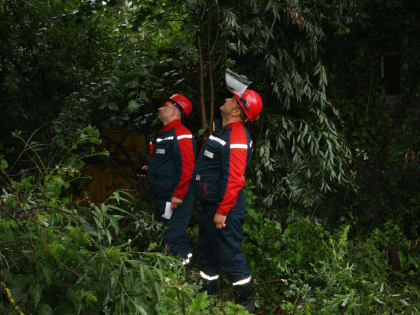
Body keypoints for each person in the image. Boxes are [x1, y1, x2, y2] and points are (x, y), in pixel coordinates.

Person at [192, 89, 263, 312]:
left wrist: (223, 210)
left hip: (224, 208)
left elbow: (234, 179)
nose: (226, 99)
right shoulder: (224, 131)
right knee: (206, 251)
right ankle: (207, 297)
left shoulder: (238, 136)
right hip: (210, 206)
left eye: (232, 99)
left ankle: (247, 303)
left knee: (229, 253)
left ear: (237, 110)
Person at [142, 93, 196, 266]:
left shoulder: (181, 134)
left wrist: (178, 195)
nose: (160, 108)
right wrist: (150, 171)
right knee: (173, 235)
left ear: (175, 111)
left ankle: (175, 275)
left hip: (176, 198)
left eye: (164, 106)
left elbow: (188, 167)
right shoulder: (162, 134)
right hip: (164, 196)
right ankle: (186, 268)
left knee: (171, 236)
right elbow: (165, 162)